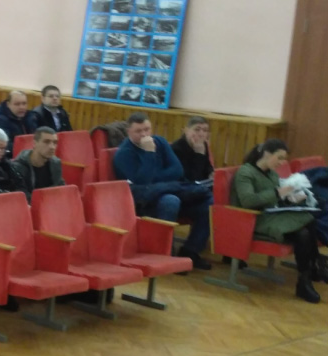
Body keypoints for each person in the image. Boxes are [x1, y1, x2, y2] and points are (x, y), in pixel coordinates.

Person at [113, 112, 212, 270]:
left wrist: (157, 181)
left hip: (168, 192)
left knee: (208, 202)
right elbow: (143, 182)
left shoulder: (160, 141)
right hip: (144, 202)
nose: (144, 135)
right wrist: (149, 153)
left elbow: (177, 170)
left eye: (147, 129)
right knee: (171, 200)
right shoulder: (124, 153)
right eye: (139, 131)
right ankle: (165, 253)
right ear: (128, 132)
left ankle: (190, 251)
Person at [231, 139, 325, 304]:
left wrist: (291, 198)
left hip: (272, 215)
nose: (282, 163)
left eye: (284, 159)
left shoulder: (272, 174)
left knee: (308, 219)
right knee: (303, 232)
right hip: (253, 219)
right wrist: (279, 192)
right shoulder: (245, 172)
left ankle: (308, 275)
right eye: (279, 158)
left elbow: (277, 199)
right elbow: (248, 201)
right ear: (267, 154)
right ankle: (308, 275)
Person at [13, 126, 63, 200]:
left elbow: (60, 187)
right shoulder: (19, 167)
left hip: (51, 203)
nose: (52, 147)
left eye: (55, 143)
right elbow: (22, 196)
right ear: (35, 143)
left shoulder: (55, 163)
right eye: (46, 142)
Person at [171, 116, 214, 183]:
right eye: (197, 130)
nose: (201, 134)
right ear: (186, 131)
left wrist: (211, 173)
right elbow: (191, 179)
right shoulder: (176, 149)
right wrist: (199, 154)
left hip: (202, 184)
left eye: (205, 130)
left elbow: (207, 166)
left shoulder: (203, 144)